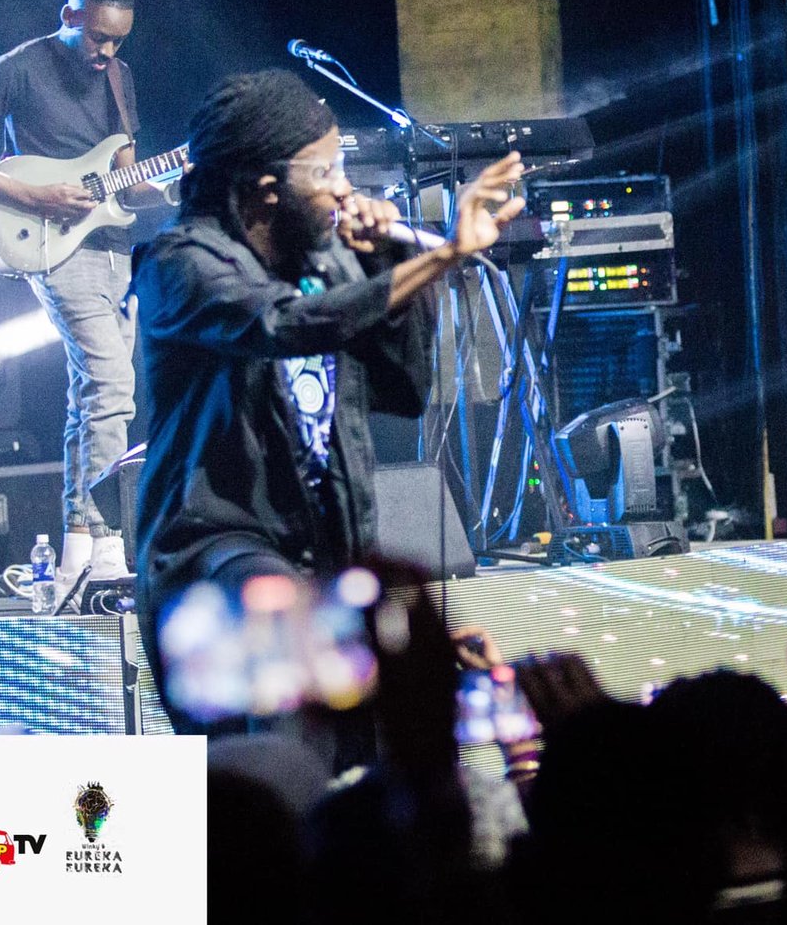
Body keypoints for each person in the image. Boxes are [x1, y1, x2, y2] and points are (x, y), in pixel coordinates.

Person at [131, 69, 523, 722]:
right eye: (325, 172)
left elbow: (404, 389)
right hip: (218, 555)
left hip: (323, 553)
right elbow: (282, 326)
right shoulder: (178, 265)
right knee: (281, 729)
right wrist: (444, 254)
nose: (345, 187)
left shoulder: (326, 259)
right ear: (266, 190)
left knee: (361, 744)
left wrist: (384, 260)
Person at [0, 0, 174, 586]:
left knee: (93, 393)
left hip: (113, 248)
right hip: (52, 246)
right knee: (112, 386)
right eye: (98, 37)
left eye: (118, 41)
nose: (106, 51)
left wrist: (174, 181)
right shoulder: (20, 68)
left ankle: (77, 547)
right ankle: (109, 536)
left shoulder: (119, 78)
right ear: (70, 15)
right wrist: (32, 195)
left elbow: (126, 179)